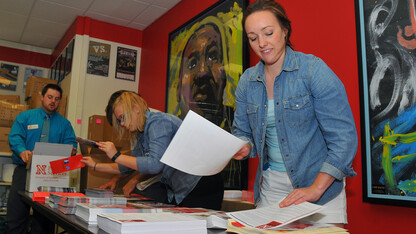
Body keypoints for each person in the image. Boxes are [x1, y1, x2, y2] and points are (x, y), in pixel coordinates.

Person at [231, 0, 358, 227]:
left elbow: (344, 139)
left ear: (285, 30)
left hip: (321, 185)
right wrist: (242, 145)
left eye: (268, 33)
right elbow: (242, 132)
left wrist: (316, 189)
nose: (261, 43)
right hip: (272, 188)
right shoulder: (247, 82)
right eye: (253, 38)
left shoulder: (313, 71)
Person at [81, 91, 224, 210]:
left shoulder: (158, 122)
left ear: (136, 107)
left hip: (202, 185)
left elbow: (155, 164)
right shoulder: (143, 133)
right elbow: (127, 167)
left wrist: (116, 155)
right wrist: (95, 165)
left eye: (122, 118)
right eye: (120, 121)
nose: (122, 124)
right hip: (186, 188)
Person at [7, 83, 77, 233]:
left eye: (57, 99)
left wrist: (71, 150)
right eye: (50, 97)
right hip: (24, 172)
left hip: (51, 175)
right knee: (16, 217)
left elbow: (71, 143)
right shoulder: (26, 116)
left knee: (44, 222)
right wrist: (22, 150)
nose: (53, 101)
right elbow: (15, 137)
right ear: (42, 97)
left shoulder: (65, 124)